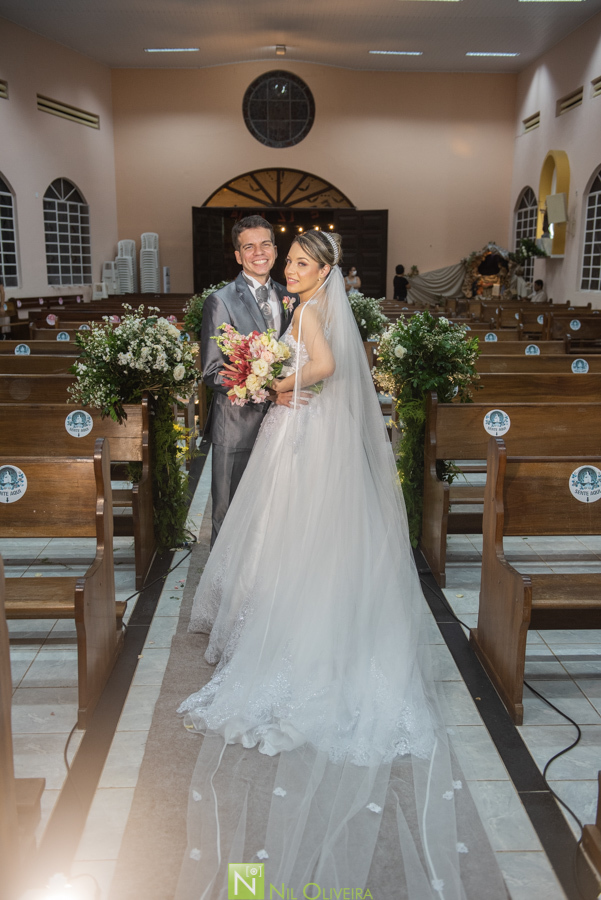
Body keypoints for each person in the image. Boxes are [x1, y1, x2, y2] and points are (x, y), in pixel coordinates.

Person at [176, 231, 506, 900]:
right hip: (300, 429)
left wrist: (277, 378)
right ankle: (293, 619)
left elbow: (321, 366)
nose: (291, 269)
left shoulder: (306, 310)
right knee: (293, 536)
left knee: (291, 533)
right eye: (288, 260)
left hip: (299, 429)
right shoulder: (316, 305)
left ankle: (287, 632)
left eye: (301, 262)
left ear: (321, 269)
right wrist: (273, 379)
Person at [200, 215, 298, 546]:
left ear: (275, 249)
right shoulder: (221, 301)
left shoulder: (292, 298)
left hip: (285, 424)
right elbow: (213, 371)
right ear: (238, 255)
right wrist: (270, 392)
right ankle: (222, 594)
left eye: (266, 244)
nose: (259, 252)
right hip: (236, 424)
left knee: (276, 510)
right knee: (228, 513)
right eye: (249, 246)